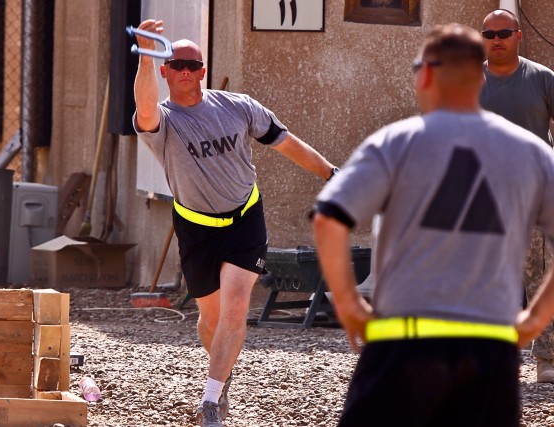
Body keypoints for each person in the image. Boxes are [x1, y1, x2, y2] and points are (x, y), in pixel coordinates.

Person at [312, 23, 554, 427]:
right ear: (481, 77)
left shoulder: (395, 142)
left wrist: (349, 303)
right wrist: (536, 317)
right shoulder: (531, 151)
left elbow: (329, 219)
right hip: (490, 350)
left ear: (424, 74)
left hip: (402, 342)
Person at [131, 19, 336, 427]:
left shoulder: (239, 106)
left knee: (236, 307)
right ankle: (221, 376)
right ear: (165, 71)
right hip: (196, 228)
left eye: (192, 64)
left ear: (203, 70)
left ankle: (210, 401)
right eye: (176, 65)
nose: (185, 71)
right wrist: (144, 56)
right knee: (210, 320)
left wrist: (332, 174)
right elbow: (145, 108)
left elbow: (287, 143)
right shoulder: (164, 122)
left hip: (245, 218)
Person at [480, 8, 554, 383]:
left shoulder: (542, 79)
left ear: (519, 36)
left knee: (539, 276)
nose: (496, 40)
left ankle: (547, 358)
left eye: (504, 33)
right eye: (489, 34)